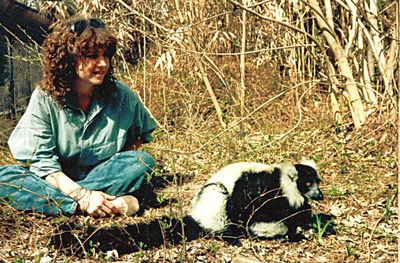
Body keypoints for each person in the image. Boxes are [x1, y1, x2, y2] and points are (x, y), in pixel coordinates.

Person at [0, 16, 157, 217]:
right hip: (55, 180)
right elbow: (42, 164)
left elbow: (137, 139)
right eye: (92, 56)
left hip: (101, 175)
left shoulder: (122, 96)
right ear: (69, 59)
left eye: (106, 55)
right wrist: (83, 196)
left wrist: (113, 174)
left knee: (141, 161)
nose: (103, 63)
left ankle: (67, 204)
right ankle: (85, 205)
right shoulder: (45, 99)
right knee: (5, 177)